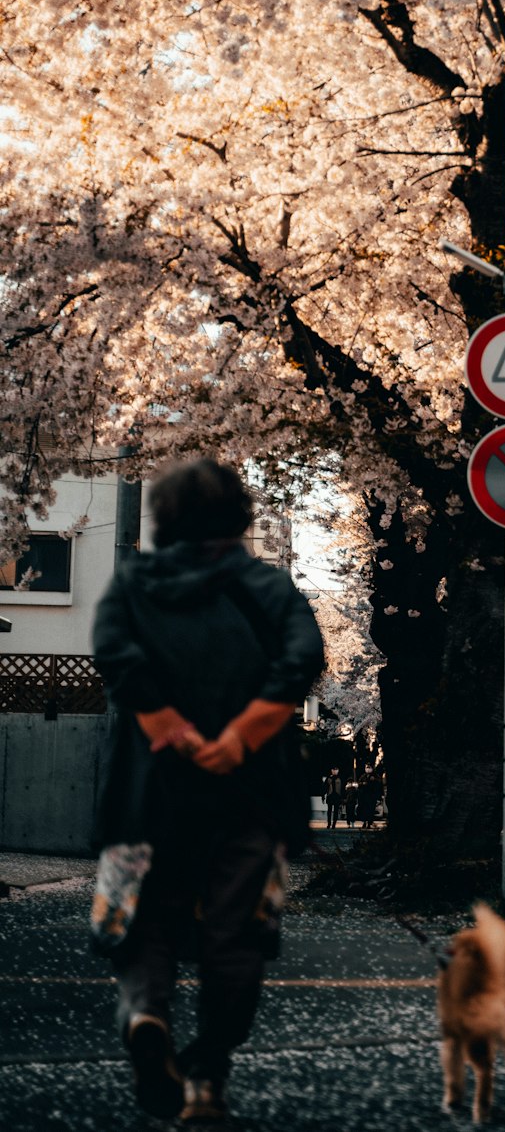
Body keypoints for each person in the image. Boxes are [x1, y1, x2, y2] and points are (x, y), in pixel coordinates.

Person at [91, 458, 325, 1124]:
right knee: (237, 935)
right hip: (250, 793)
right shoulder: (266, 587)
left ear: (163, 519)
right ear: (240, 517)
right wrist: (239, 738)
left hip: (145, 793)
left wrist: (169, 728)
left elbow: (113, 652)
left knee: (143, 923)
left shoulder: (133, 583)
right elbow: (302, 657)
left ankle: (145, 1018)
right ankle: (207, 1071)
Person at [356, 765, 381, 829]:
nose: (368, 769)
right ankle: (364, 822)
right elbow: (359, 783)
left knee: (370, 810)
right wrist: (362, 784)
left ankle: (369, 823)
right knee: (364, 810)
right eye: (367, 768)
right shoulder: (363, 776)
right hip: (364, 796)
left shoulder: (375, 776)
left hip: (372, 796)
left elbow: (379, 783)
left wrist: (374, 780)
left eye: (369, 768)